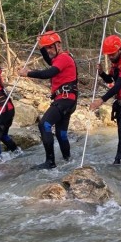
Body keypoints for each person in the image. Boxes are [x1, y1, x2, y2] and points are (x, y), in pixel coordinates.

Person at [18, 30, 78, 169]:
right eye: (47, 48)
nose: (48, 50)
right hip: (68, 100)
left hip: (64, 99)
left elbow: (49, 72)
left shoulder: (63, 58)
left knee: (44, 124)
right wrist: (41, 47)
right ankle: (68, 160)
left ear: (58, 45)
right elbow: (50, 61)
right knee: (60, 133)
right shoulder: (60, 58)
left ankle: (50, 162)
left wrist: (28, 73)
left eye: (51, 47)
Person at [90, 35, 121, 165]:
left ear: (119, 49)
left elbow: (117, 86)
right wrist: (101, 73)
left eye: (112, 54)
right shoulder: (115, 63)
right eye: (108, 55)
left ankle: (117, 160)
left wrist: (101, 100)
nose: (110, 57)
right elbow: (110, 80)